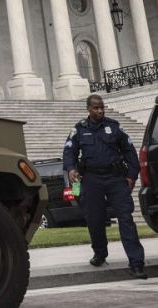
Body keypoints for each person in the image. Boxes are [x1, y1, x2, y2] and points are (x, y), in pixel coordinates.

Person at [62, 94, 147, 279]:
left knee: (126, 218)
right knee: (95, 219)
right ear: (88, 109)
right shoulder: (78, 130)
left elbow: (130, 152)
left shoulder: (114, 127)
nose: (100, 111)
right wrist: (70, 169)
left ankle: (137, 263)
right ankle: (100, 253)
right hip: (91, 179)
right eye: (95, 108)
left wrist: (132, 176)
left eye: (101, 107)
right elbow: (69, 151)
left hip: (115, 178)